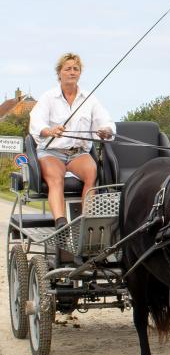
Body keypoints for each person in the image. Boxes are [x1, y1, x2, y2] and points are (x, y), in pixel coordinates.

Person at [29, 52, 115, 229]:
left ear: (80, 73)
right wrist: (50, 130)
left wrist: (106, 131)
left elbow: (105, 122)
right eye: (68, 68)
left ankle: (86, 222)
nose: (72, 72)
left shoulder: (90, 99)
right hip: (51, 152)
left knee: (92, 174)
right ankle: (61, 223)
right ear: (59, 73)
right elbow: (36, 122)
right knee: (56, 179)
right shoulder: (48, 98)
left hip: (78, 154)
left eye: (76, 69)